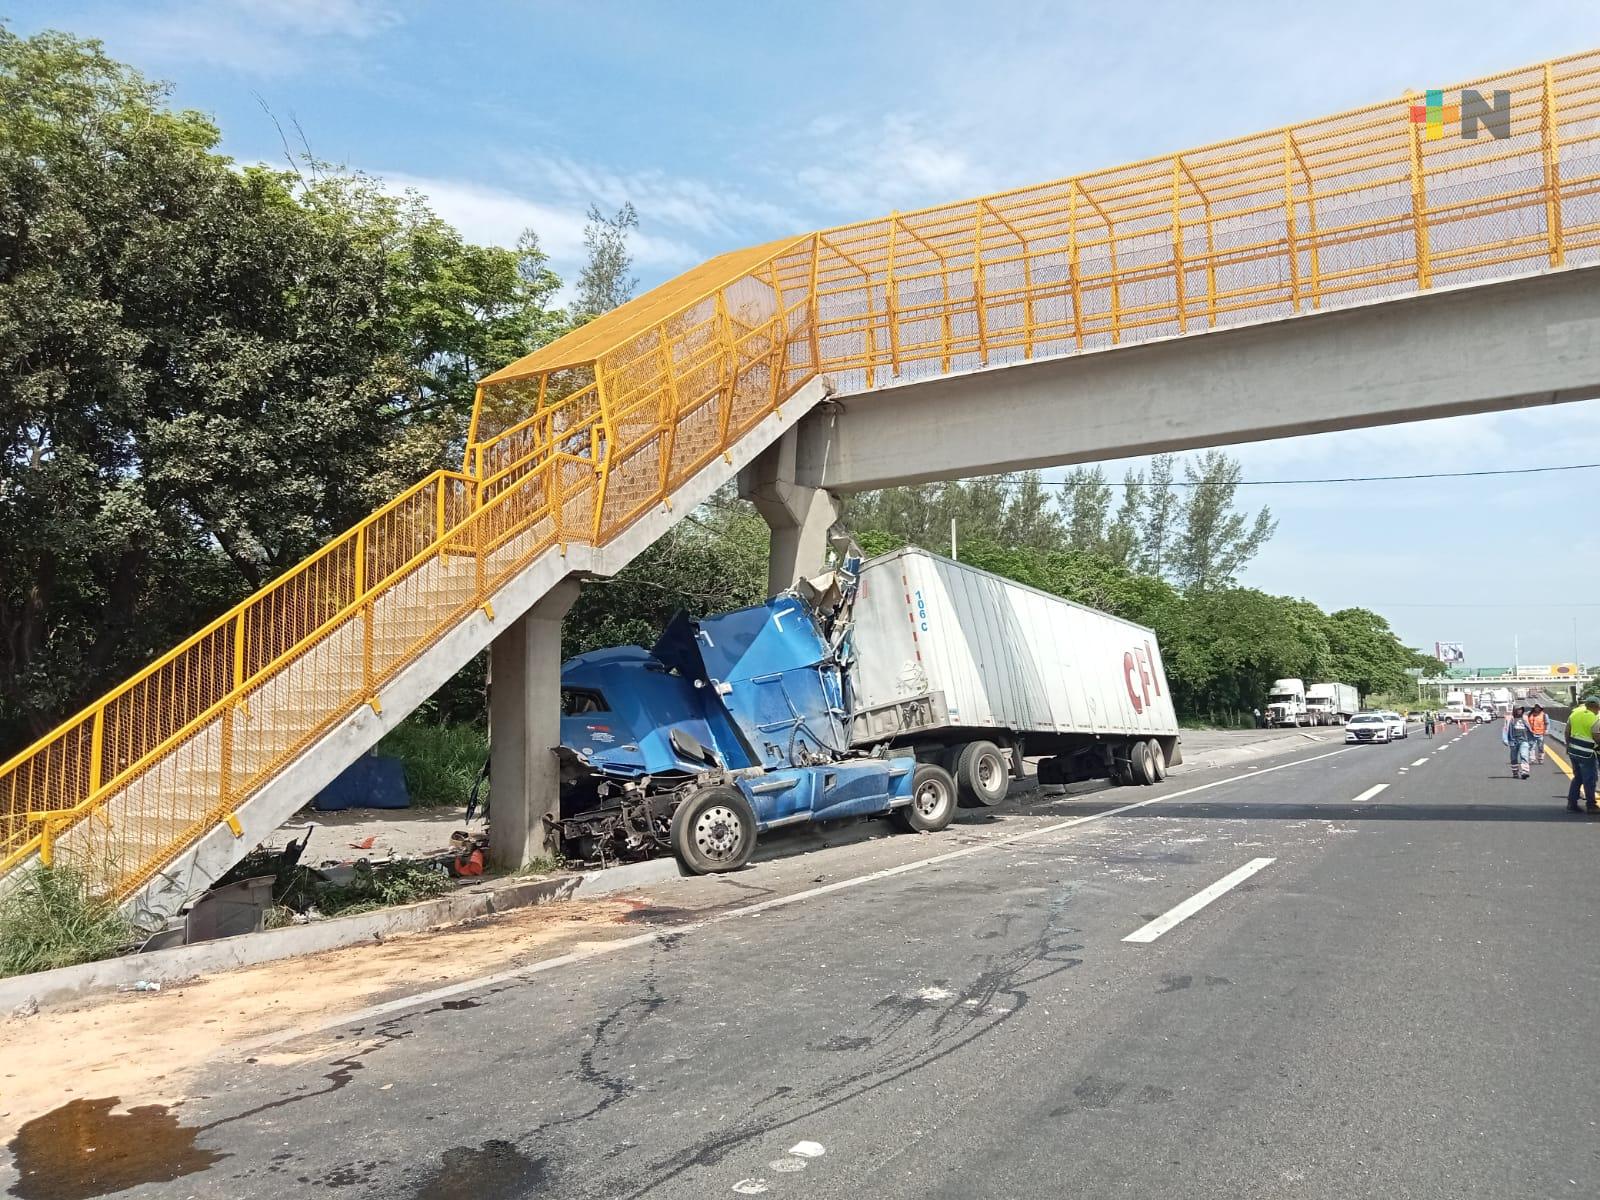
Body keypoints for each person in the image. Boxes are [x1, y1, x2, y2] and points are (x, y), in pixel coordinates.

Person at [1567, 695, 1599, 813]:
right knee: (1589, 779)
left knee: (1578, 777)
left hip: (1573, 751)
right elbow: (1596, 735)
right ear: (1596, 707)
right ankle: (1591, 805)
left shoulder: (1574, 715)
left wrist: (1567, 746)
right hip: (1587, 753)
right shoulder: (1595, 718)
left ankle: (1572, 803)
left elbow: (1567, 731)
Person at [1503, 706, 1535, 780]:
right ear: (1514, 710)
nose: (1519, 711)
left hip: (1524, 740)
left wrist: (1532, 738)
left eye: (1520, 709)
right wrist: (1505, 739)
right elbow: (1505, 728)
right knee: (1514, 758)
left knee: (1524, 755)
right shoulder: (1510, 719)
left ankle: (1525, 772)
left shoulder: (1525, 718)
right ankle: (1515, 772)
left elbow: (1529, 728)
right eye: (1517, 709)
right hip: (1513, 740)